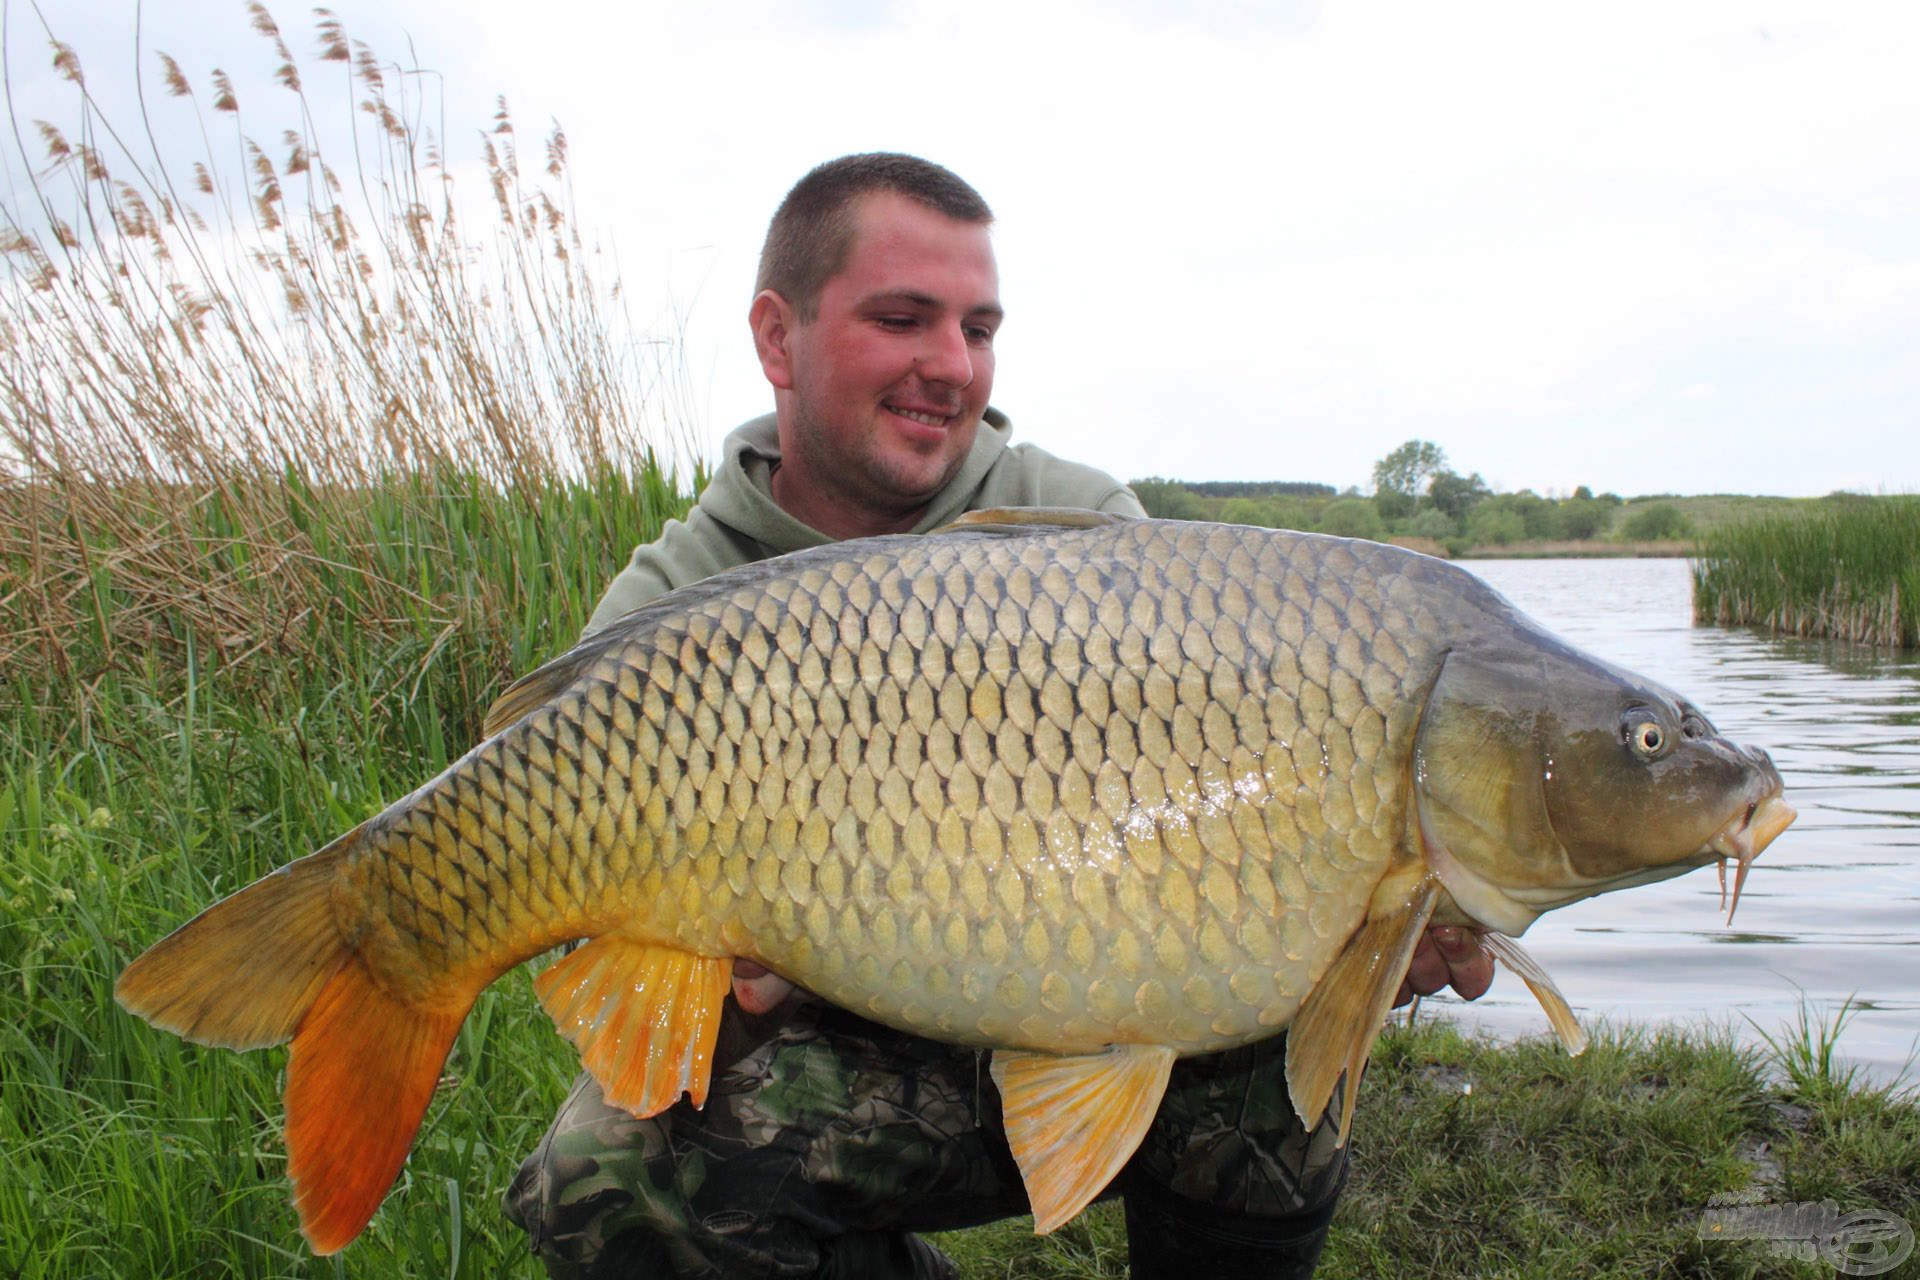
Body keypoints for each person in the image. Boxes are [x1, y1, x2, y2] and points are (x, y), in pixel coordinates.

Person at [505, 153, 1493, 1279]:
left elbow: (1206, 835)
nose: (950, 364)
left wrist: (1359, 918)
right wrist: (758, 960)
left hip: (1086, 1000)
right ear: (778, 338)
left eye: (978, 328)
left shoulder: (1084, 531)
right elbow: (636, 987)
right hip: (848, 1055)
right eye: (902, 318)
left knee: (1265, 1058)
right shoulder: (664, 610)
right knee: (605, 1173)